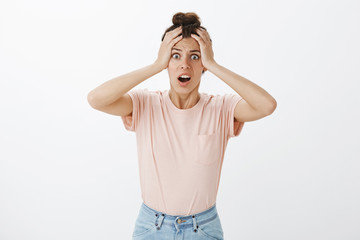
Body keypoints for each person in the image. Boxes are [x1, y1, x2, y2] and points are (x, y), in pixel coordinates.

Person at [87, 12, 276, 240]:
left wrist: (213, 64)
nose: (184, 65)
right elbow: (96, 99)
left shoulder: (222, 108)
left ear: (203, 65)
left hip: (203, 228)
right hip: (151, 228)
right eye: (175, 56)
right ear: (167, 62)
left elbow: (266, 105)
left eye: (194, 57)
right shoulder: (145, 103)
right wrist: (157, 64)